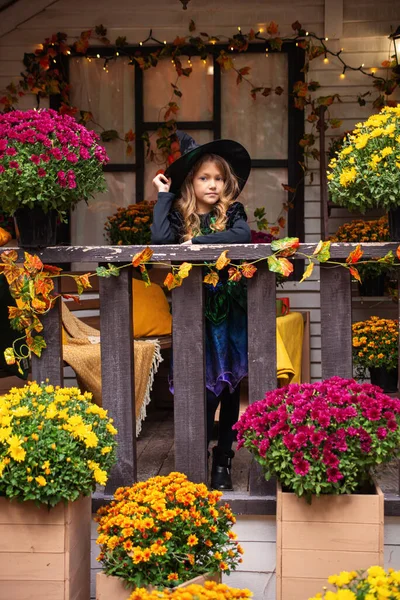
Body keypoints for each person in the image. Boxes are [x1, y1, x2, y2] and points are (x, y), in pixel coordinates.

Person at [151, 132, 251, 491]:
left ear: (227, 183)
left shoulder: (232, 214)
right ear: (191, 182)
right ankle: (202, 455)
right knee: (204, 389)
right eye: (204, 177)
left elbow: (242, 237)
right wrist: (164, 196)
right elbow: (160, 241)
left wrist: (200, 244)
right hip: (195, 313)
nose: (212, 184)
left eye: (219, 178)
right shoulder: (180, 218)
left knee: (228, 388)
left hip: (229, 312)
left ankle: (224, 459)